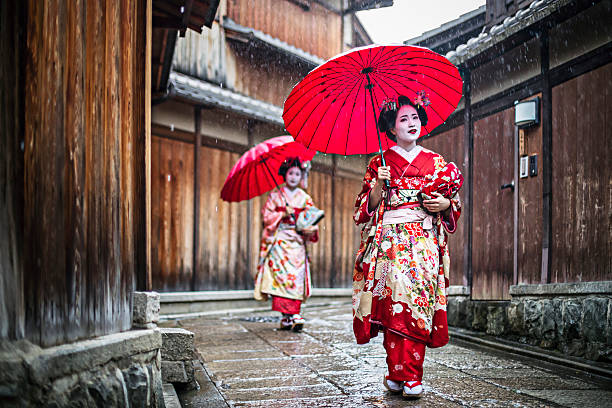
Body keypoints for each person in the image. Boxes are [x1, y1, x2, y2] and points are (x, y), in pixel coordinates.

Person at [352, 95, 463, 398]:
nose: (412, 123)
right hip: (389, 242)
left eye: (415, 117)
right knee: (392, 303)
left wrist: (443, 203)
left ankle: (411, 374)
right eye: (403, 119)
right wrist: (378, 185)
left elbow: (452, 203)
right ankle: (395, 372)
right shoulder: (380, 163)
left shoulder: (436, 161)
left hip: (423, 241)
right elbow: (363, 210)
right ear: (390, 127)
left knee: (417, 302)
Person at [254, 157, 320, 331]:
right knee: (281, 279)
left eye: (297, 173)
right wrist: (282, 214)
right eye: (290, 173)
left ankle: (294, 313)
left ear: (301, 176)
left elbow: (312, 219)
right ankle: (286, 316)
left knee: (296, 278)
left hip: (297, 241)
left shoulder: (304, 198)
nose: (293, 177)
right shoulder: (275, 196)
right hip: (280, 241)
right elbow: (266, 218)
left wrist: (306, 225)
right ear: (285, 174)